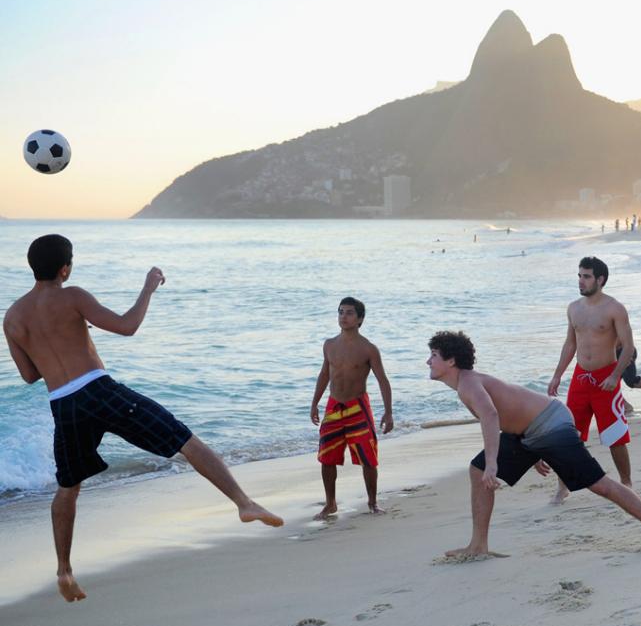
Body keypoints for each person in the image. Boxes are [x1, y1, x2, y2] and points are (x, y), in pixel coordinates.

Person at [2, 235, 284, 603]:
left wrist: (51, 344)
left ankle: (65, 570)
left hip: (63, 405)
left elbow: (28, 375)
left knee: (68, 486)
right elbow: (127, 325)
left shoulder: (12, 317)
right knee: (184, 439)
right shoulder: (72, 295)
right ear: (65, 268)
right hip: (99, 391)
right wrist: (148, 288)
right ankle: (244, 503)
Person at [427, 331, 641, 557]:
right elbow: (505, 415)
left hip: (550, 424)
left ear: (451, 361)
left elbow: (491, 416)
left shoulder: (468, 383)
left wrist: (494, 463)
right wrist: (531, 452)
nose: (429, 361)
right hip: (529, 430)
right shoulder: (467, 383)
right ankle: (478, 545)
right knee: (477, 469)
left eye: (434, 355)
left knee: (599, 485)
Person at [547, 257, 635, 504]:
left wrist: (615, 376)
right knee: (568, 435)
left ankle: (626, 483)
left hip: (605, 377)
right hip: (580, 378)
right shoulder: (574, 307)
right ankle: (563, 486)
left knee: (615, 436)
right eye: (579, 275)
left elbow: (628, 347)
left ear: (600, 280)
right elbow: (570, 344)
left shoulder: (614, 309)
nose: (580, 281)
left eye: (586, 276)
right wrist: (557, 375)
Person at [310, 297, 394, 518]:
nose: (343, 317)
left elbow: (382, 380)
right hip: (333, 406)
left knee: (368, 457)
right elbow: (324, 375)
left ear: (360, 319)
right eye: (340, 312)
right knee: (327, 457)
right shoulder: (329, 344)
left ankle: (373, 503)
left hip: (358, 407)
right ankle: (330, 504)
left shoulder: (368, 349)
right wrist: (314, 403)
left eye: (348, 313)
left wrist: (388, 411)